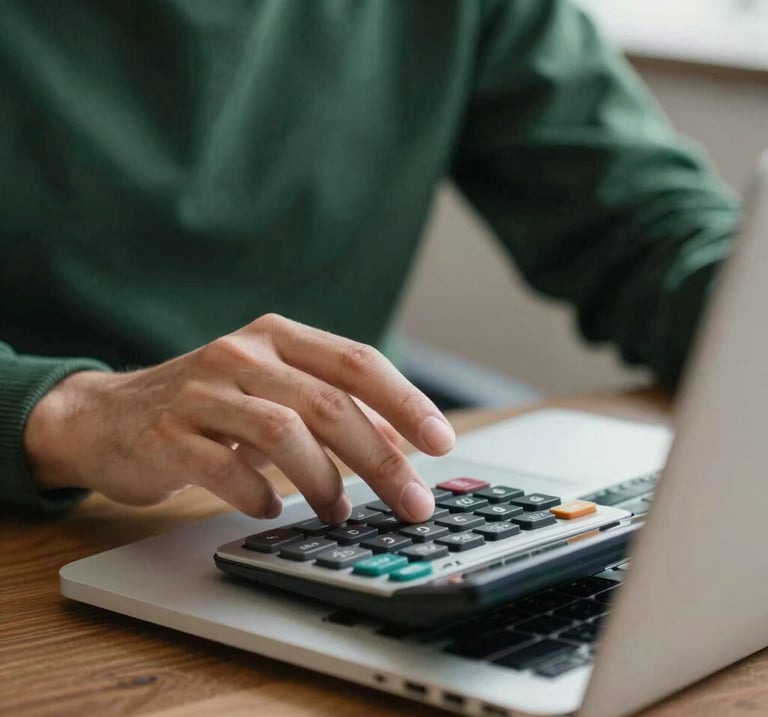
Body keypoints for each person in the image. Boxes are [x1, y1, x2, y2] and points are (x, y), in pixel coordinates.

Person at [0, 1, 740, 524]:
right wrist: (68, 413)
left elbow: (651, 227)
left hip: (330, 501)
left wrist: (749, 305)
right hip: (43, 517)